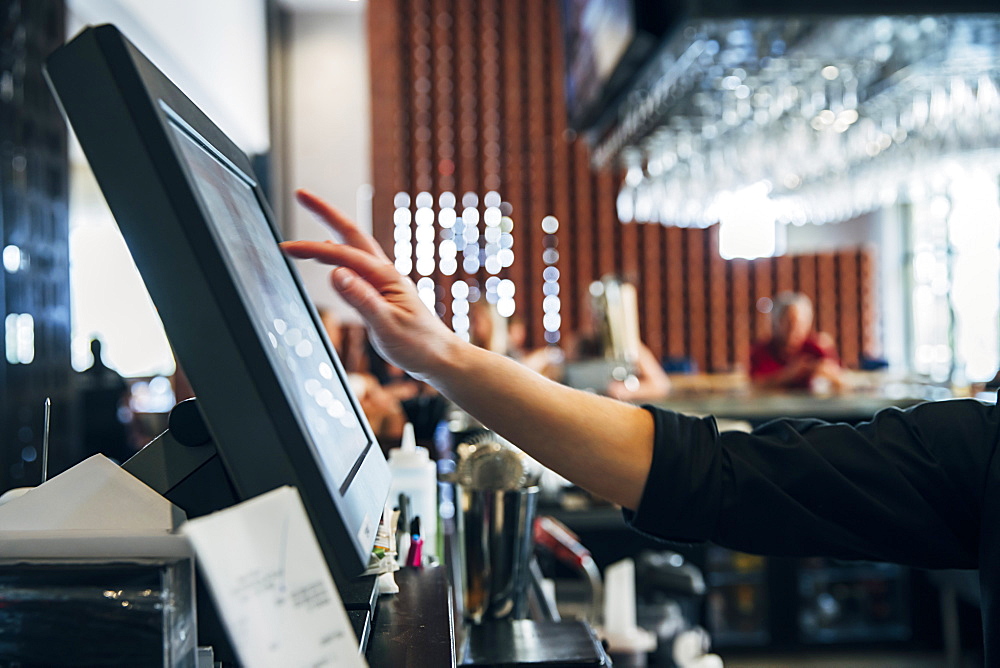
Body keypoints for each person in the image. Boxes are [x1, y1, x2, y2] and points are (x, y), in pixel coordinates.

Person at [282, 189, 1000, 661]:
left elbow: (709, 475)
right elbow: (711, 474)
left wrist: (448, 358)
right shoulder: (981, 450)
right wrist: (444, 358)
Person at [749, 292, 843, 392]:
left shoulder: (817, 347)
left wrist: (823, 371)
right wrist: (788, 375)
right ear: (775, 323)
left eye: (799, 324)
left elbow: (842, 381)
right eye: (788, 323)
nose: (794, 329)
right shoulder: (761, 351)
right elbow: (754, 386)